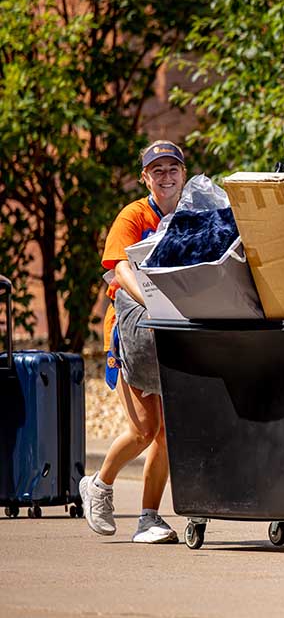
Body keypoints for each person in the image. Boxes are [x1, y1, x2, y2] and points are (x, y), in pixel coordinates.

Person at [79, 140, 188, 544]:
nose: (166, 176)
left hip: (175, 328)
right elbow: (119, 268)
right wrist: (152, 301)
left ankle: (148, 517)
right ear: (145, 177)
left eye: (172, 168)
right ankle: (99, 485)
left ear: (184, 172)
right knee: (145, 428)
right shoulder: (134, 215)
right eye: (156, 171)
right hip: (132, 331)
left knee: (167, 434)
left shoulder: (193, 214)